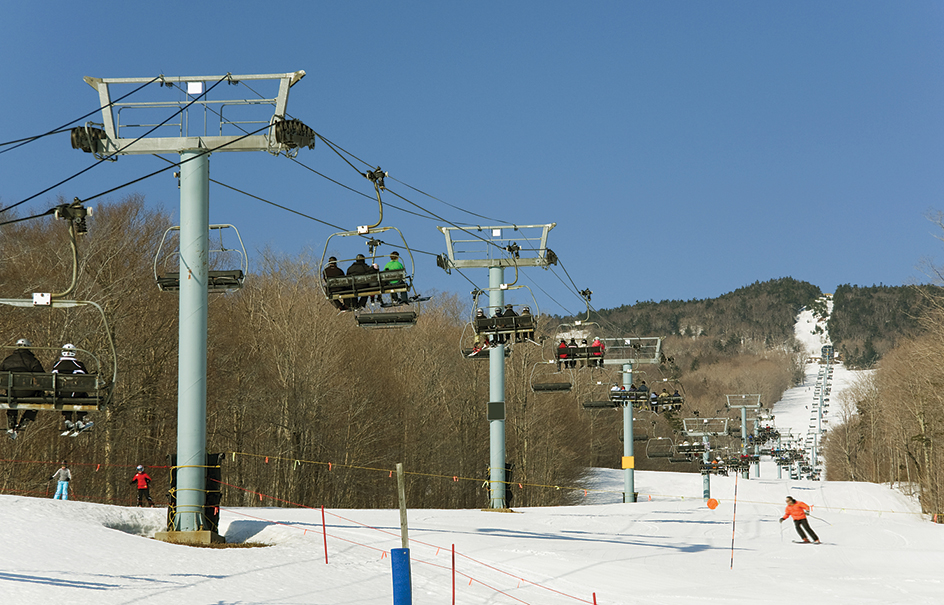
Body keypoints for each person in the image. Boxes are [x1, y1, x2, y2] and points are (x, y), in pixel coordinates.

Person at [1, 338, 44, 436]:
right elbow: (43, 377)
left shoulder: (7, 360)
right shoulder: (32, 360)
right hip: (28, 392)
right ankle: (26, 419)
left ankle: (12, 418)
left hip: (12, 392)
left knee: (10, 397)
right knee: (38, 398)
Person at [51, 343, 90, 434]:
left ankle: (68, 418)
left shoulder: (57, 365)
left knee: (65, 394)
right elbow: (87, 380)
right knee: (82, 394)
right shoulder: (78, 365)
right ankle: (80, 418)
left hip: (61, 394)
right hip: (76, 394)